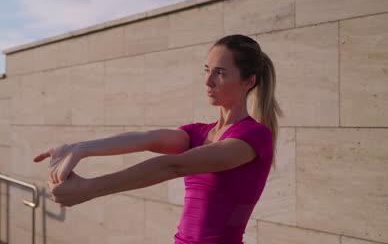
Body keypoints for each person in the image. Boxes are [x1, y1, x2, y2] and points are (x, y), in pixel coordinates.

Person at [33, 34, 283, 244]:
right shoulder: (198, 132)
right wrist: (79, 148)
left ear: (248, 81)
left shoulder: (254, 136)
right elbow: (146, 138)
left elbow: (174, 166)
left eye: (220, 73)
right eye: (206, 70)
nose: (208, 81)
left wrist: (89, 189)